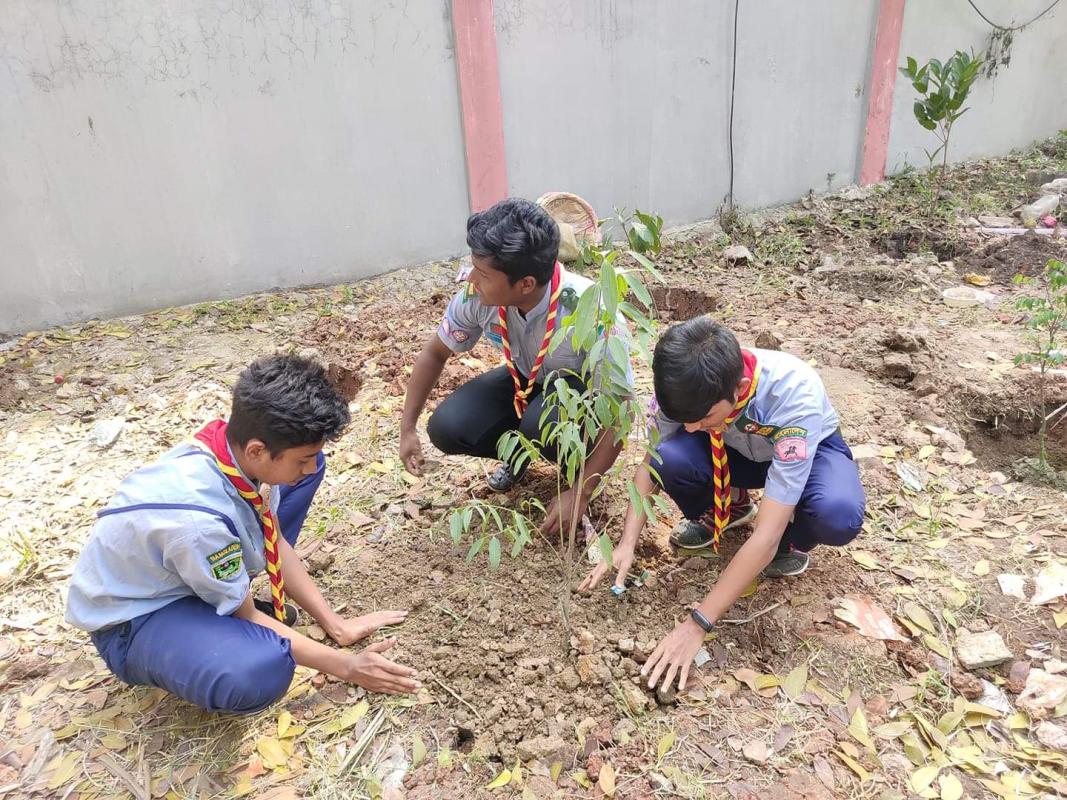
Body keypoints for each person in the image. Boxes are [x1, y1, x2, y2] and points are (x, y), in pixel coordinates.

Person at [66, 355, 419, 713]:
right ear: (257, 450)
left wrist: (336, 625)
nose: (310, 466)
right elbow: (246, 614)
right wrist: (347, 667)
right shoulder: (198, 524)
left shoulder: (234, 452)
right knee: (262, 669)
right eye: (302, 458)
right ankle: (195, 631)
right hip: (136, 619)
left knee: (303, 476)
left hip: (182, 569)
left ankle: (216, 602)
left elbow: (275, 538)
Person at [581, 317, 865, 693]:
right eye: (686, 420)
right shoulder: (682, 390)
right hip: (737, 451)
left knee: (835, 513)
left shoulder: (794, 396)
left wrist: (697, 623)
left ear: (741, 388)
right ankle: (731, 507)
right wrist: (626, 544)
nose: (693, 427)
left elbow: (765, 534)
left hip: (807, 454)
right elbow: (648, 464)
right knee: (672, 457)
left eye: (704, 418)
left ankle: (796, 540)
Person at [399, 197, 627, 533]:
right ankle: (518, 457)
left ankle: (579, 468)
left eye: (484, 273)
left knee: (540, 425)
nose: (472, 278)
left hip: (581, 397)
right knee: (448, 427)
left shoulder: (592, 309)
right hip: (524, 380)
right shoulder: (476, 295)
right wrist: (407, 428)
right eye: (474, 265)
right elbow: (435, 353)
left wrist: (581, 493)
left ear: (526, 284)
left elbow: (620, 411)